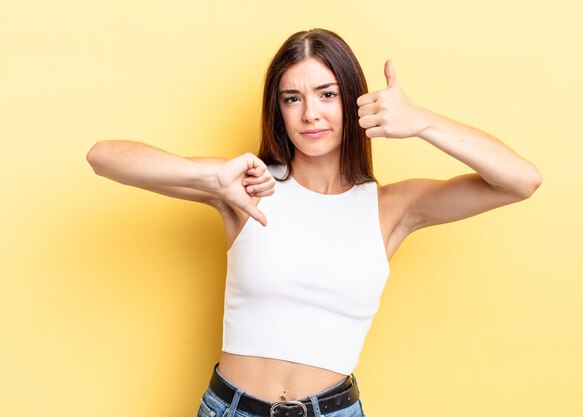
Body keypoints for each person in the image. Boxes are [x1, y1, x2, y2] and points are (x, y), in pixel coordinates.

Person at [87, 28, 541, 417]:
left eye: (327, 94)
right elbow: (103, 158)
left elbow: (521, 181)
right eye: (292, 98)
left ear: (353, 100)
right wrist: (208, 177)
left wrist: (422, 121)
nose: (310, 113)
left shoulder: (391, 207)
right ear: (278, 111)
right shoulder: (246, 185)